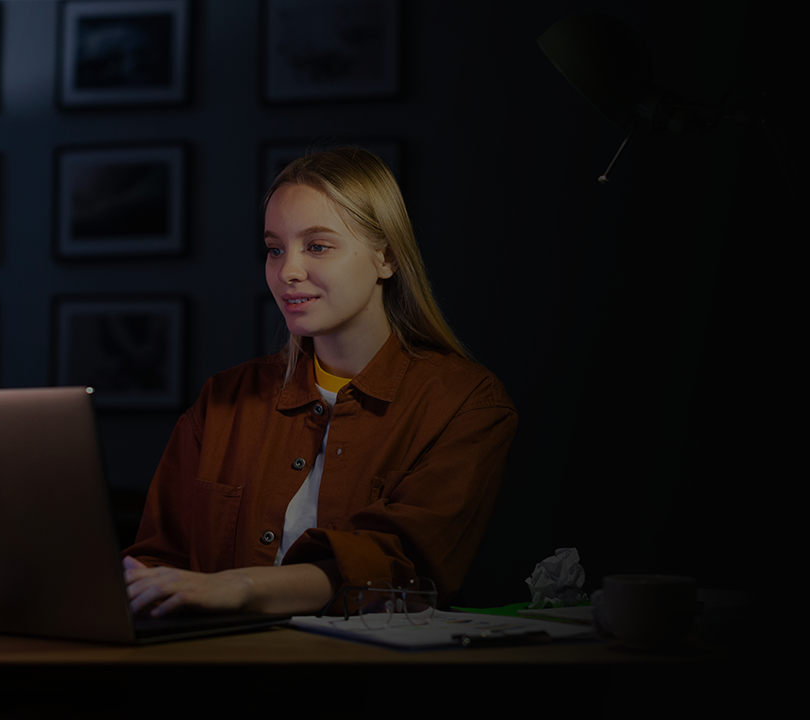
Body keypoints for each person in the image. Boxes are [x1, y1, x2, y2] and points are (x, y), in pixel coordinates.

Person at [121, 147, 517, 618]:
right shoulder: (223, 399)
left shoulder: (465, 403)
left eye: (317, 246)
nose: (287, 270)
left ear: (386, 257)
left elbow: (405, 567)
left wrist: (242, 586)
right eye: (274, 248)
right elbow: (158, 558)